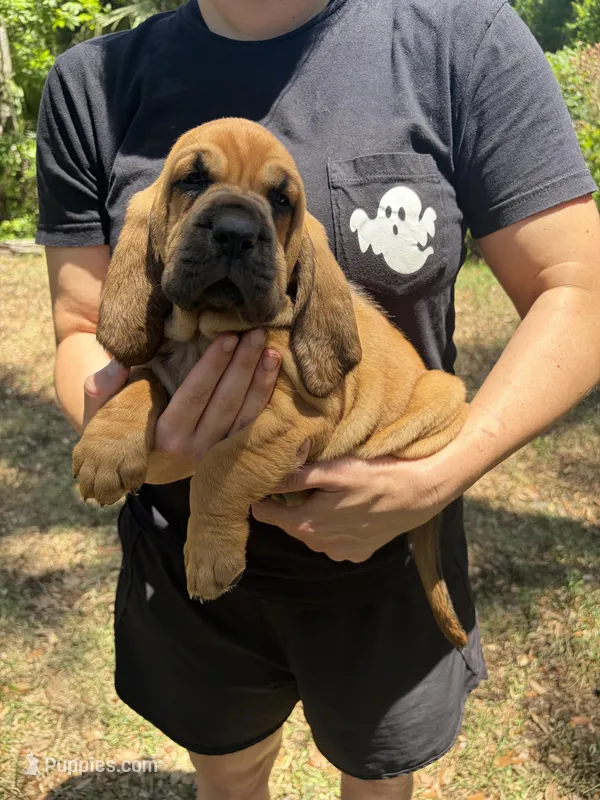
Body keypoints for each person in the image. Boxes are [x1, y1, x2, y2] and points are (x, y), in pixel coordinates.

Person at [37, 0, 600, 797]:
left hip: (381, 571)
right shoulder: (94, 79)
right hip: (182, 564)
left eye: (273, 206)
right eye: (194, 184)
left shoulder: (459, 38)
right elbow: (87, 327)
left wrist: (436, 478)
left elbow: (578, 289)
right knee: (230, 774)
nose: (236, 229)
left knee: (378, 778)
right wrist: (137, 438)